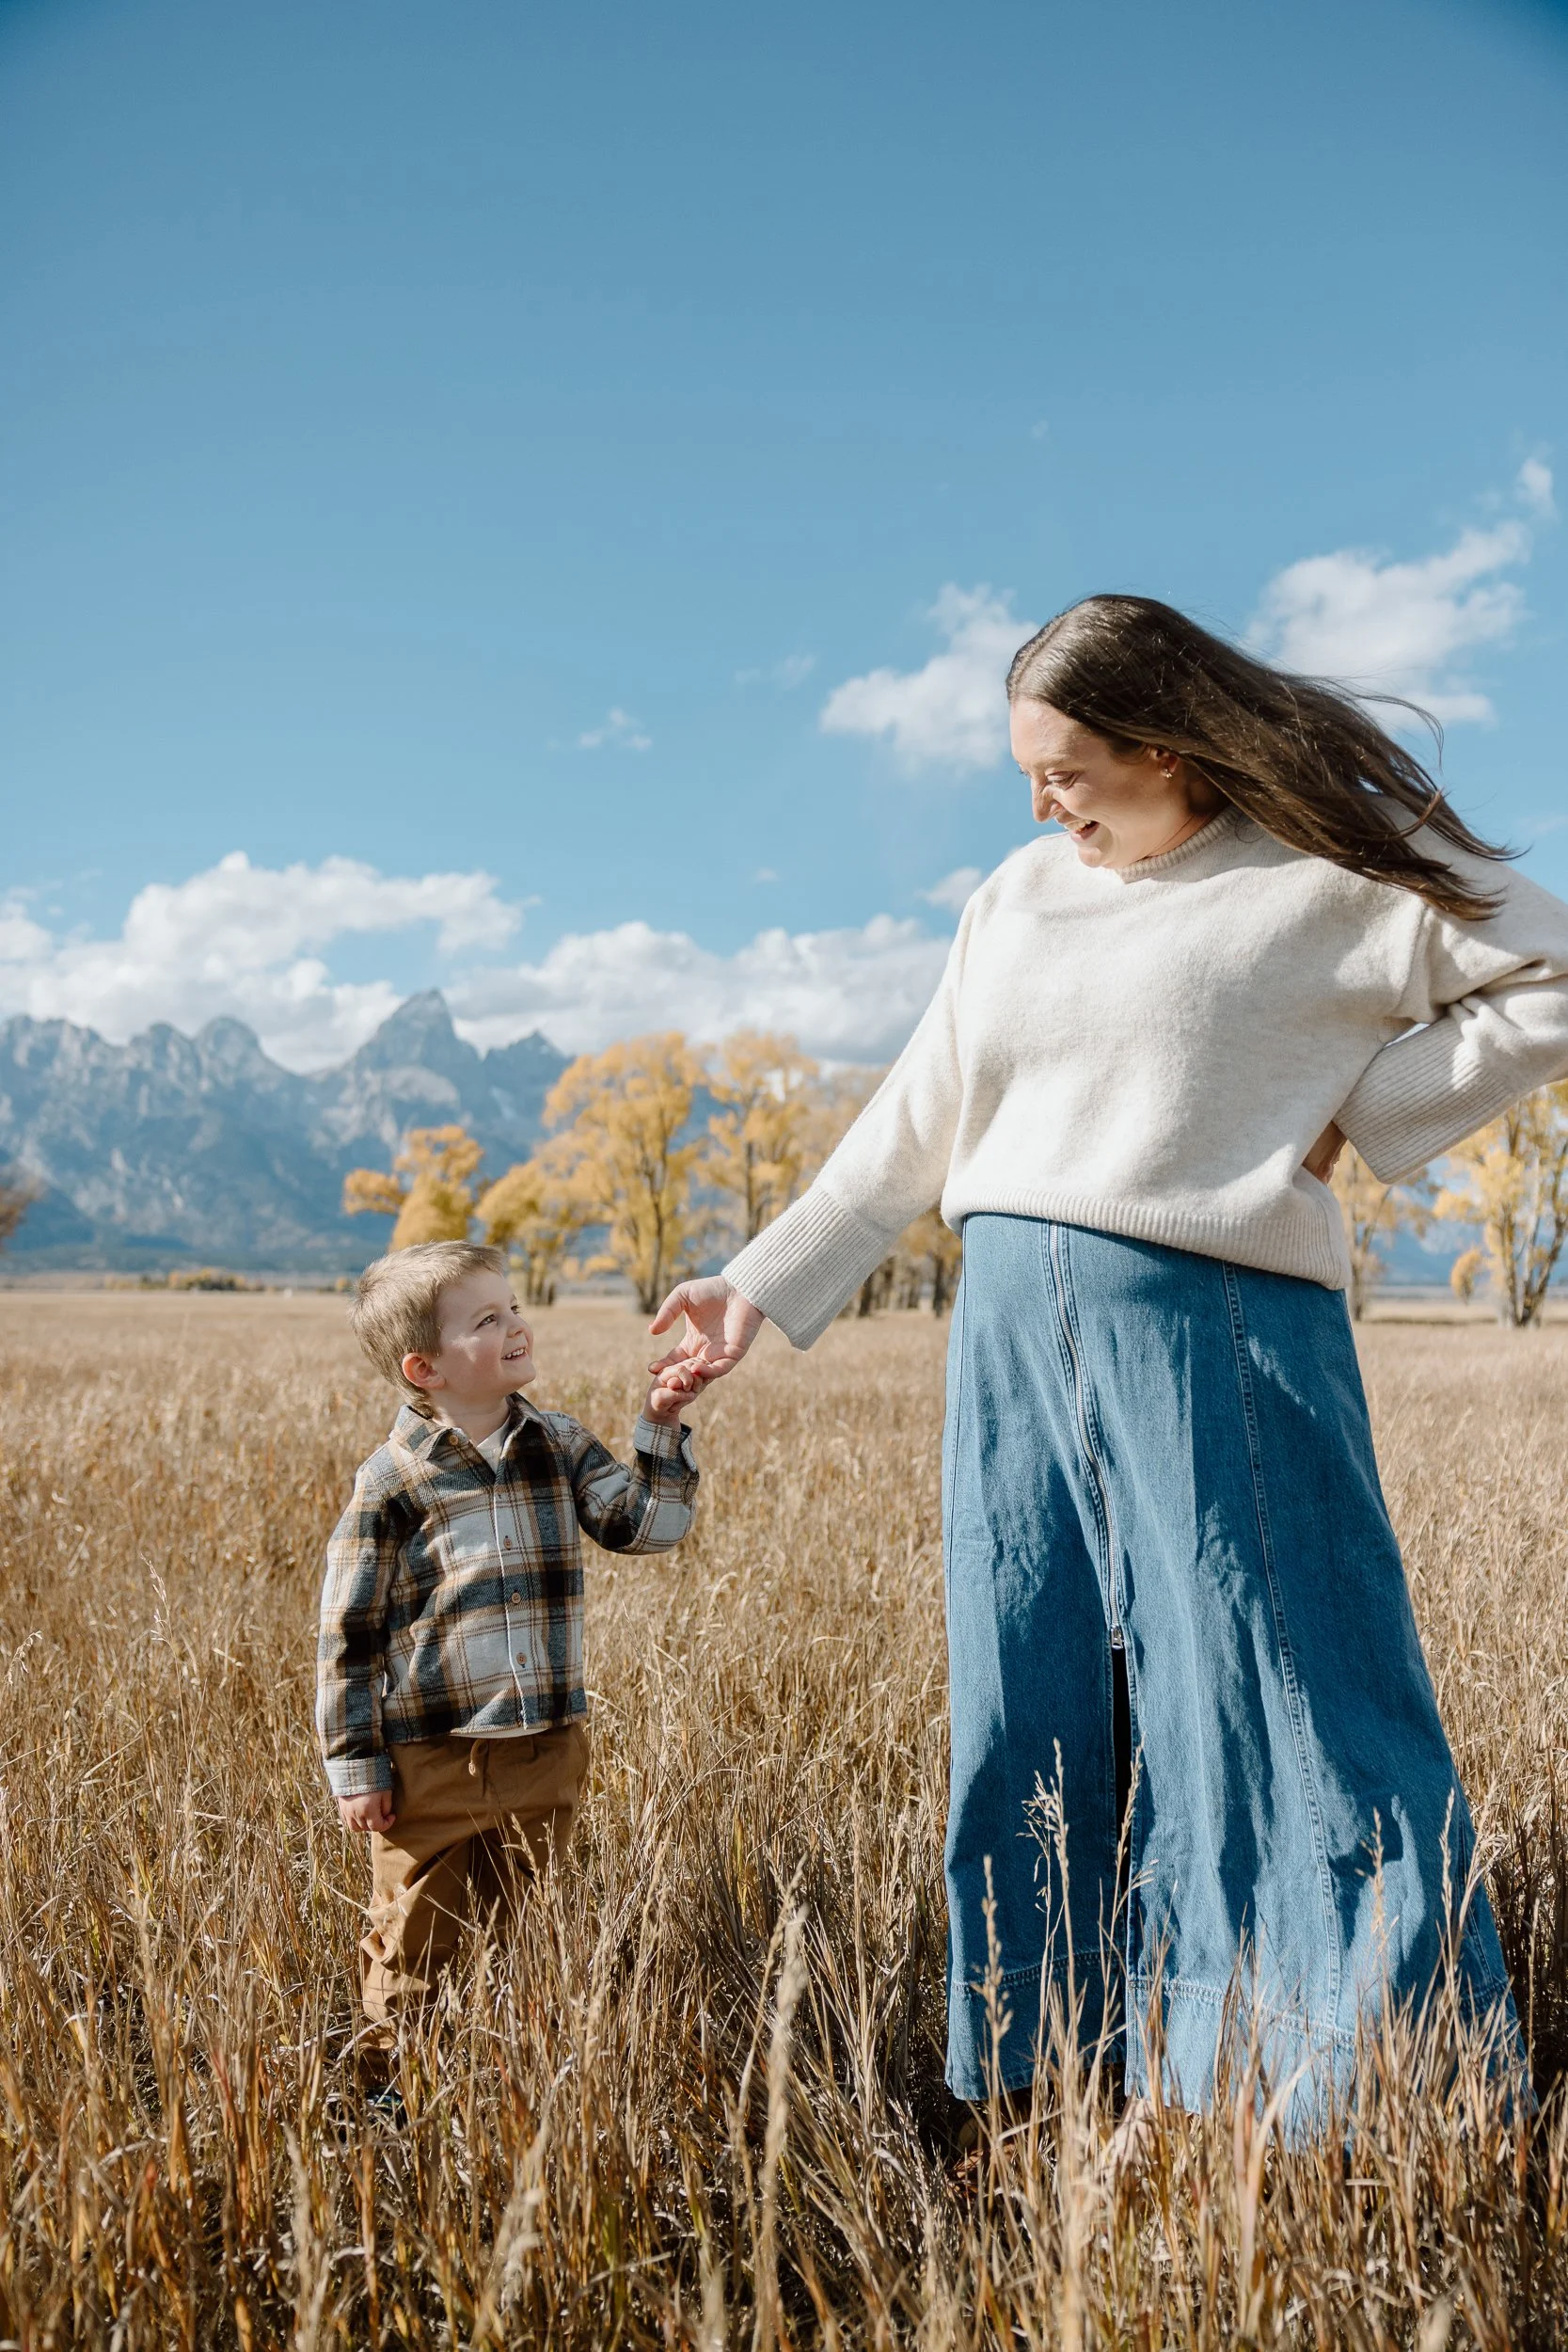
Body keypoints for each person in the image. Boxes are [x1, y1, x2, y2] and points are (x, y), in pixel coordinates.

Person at [649, 594, 1568, 2121]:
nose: (1036, 802)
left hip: (1220, 1325)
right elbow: (920, 1113)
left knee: (1282, 1696)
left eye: (1064, 769)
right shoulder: (1014, 893)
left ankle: (1355, 2086)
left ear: (1168, 747)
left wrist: (1369, 1111)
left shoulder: (1330, 872)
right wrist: (758, 1285)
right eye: (1026, 771)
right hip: (1008, 1332)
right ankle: (1050, 2068)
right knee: (1028, 1690)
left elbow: (1550, 972)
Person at [318, 1240, 707, 2062]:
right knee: (416, 1937)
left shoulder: (557, 1445)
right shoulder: (391, 1483)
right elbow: (349, 1637)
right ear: (425, 1368)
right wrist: (358, 1766)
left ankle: (515, 2066)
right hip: (433, 1759)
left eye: (516, 1307)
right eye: (487, 1319)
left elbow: (646, 1527)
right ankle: (397, 2083)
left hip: (546, 1747)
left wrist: (661, 1427)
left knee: (531, 1927)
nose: (517, 1326)